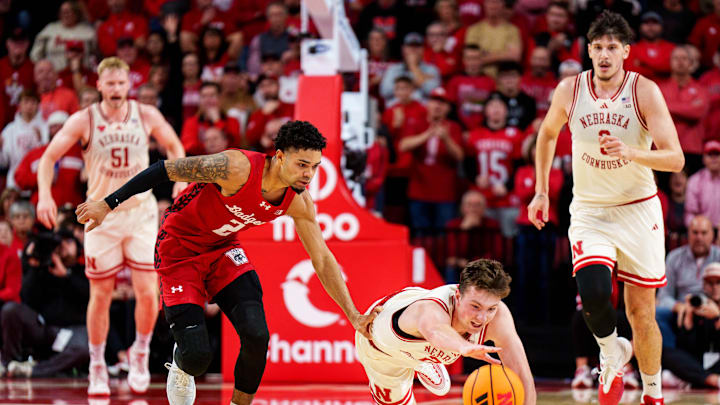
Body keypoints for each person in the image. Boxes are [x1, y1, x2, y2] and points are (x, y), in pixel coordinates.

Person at [74, 120, 379, 405]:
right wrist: (107, 204)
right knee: (197, 358)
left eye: (314, 167)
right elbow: (163, 169)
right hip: (179, 249)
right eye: (302, 165)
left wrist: (353, 315)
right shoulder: (236, 167)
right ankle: (181, 361)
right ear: (280, 157)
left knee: (257, 336)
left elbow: (323, 259)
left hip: (222, 249)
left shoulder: (299, 201)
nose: (308, 175)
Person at [528, 11, 684, 405]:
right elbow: (546, 135)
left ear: (626, 52)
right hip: (591, 210)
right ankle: (610, 351)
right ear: (589, 51)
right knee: (594, 293)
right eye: (597, 47)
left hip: (637, 209)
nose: (604, 55)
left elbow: (676, 159)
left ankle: (652, 394)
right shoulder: (570, 89)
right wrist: (541, 191)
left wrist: (633, 152)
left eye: (612, 47)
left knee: (642, 314)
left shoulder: (644, 91)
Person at [35, 57, 186, 397]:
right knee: (100, 295)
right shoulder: (84, 119)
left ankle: (141, 350)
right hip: (100, 214)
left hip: (140, 213)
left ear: (127, 85)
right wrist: (44, 194)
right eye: (111, 83)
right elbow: (48, 157)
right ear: (100, 85)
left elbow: (175, 146)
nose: (117, 89)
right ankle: (98, 364)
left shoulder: (145, 114)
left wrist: (179, 178)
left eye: (122, 83)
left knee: (149, 292)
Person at [355, 259, 536, 405]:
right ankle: (423, 362)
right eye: (475, 306)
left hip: (433, 341)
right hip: (380, 349)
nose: (482, 318)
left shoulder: (498, 317)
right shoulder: (430, 309)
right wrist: (463, 347)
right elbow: (436, 331)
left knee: (439, 360)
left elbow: (522, 376)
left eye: (491, 308)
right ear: (458, 296)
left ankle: (426, 361)